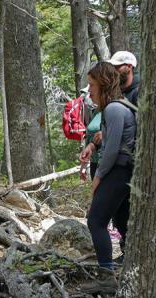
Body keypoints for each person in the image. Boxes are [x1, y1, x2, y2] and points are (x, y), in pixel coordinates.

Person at [80, 51, 139, 262]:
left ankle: (105, 273)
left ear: (103, 84)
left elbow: (112, 150)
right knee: (122, 220)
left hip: (119, 171)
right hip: (124, 172)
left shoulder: (114, 108)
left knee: (96, 221)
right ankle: (127, 261)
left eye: (92, 85)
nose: (90, 92)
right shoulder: (116, 107)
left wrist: (98, 178)